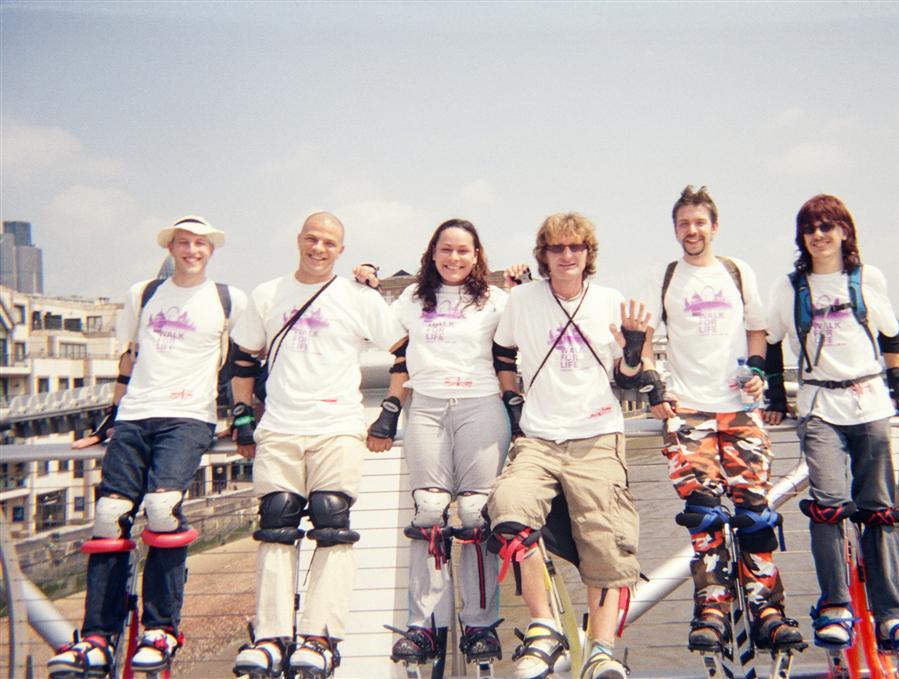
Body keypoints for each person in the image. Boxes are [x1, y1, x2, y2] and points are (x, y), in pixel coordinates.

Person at [48, 216, 245, 678]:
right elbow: (130, 356)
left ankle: (162, 628)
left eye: (200, 244)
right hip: (136, 415)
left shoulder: (227, 299)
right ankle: (97, 636)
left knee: (161, 507)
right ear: (171, 248)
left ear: (210, 250)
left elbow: (243, 358)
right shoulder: (144, 293)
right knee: (108, 517)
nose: (191, 250)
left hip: (189, 415)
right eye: (183, 243)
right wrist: (108, 419)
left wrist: (242, 415)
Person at [229, 212, 405, 678]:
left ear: (341, 250)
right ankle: (270, 636)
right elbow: (242, 360)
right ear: (299, 240)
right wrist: (243, 417)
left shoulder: (357, 297)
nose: (319, 248)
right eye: (312, 238)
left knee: (333, 521)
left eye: (329, 242)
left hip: (338, 425)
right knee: (276, 522)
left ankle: (320, 635)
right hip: (281, 428)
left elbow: (403, 352)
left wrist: (388, 412)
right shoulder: (267, 295)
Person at [638, 185, 803, 654]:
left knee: (754, 511)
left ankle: (765, 607)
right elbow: (645, 338)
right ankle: (712, 608)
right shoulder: (664, 276)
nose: (692, 231)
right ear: (675, 229)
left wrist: (755, 371)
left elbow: (758, 330)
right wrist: (655, 386)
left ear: (714, 226)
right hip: (688, 409)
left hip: (739, 410)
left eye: (699, 222)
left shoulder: (737, 271)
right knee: (704, 514)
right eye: (683, 224)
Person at [763, 194, 899, 651]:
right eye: (811, 228)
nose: (819, 235)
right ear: (802, 236)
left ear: (844, 231)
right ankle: (836, 607)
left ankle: (892, 613)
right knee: (828, 506)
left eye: (828, 227)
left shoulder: (866, 278)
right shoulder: (789, 286)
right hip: (819, 407)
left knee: (877, 508)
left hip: (871, 404)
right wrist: (776, 397)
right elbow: (772, 341)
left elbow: (892, 331)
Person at [358, 219, 527, 669]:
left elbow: (517, 345)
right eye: (446, 250)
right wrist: (365, 283)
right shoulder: (413, 298)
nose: (454, 258)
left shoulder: (496, 299)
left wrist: (524, 284)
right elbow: (386, 341)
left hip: (481, 404)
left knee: (475, 515)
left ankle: (479, 625)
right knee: (429, 511)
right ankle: (425, 625)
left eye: (464, 251)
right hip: (428, 406)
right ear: (433, 253)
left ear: (477, 256)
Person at [486, 212, 646, 679]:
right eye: (557, 248)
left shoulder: (610, 300)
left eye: (576, 247)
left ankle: (602, 649)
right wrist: (511, 398)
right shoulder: (522, 299)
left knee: (607, 541)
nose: (567, 255)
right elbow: (503, 351)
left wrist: (634, 353)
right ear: (545, 255)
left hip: (597, 435)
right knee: (509, 509)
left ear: (588, 253)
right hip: (539, 435)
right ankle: (544, 626)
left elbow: (628, 379)